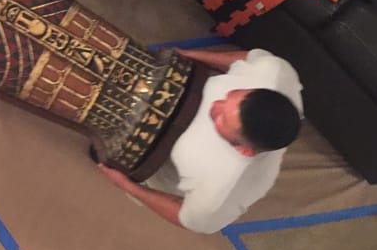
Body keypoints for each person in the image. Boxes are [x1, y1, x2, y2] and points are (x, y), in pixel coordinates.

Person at [98, 47, 303, 234]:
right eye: (229, 96)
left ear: (244, 150)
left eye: (221, 118)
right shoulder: (274, 72)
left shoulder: (221, 192)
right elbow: (248, 59)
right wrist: (189, 55)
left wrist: (128, 186)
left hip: (159, 163)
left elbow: (186, 217)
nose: (215, 105)